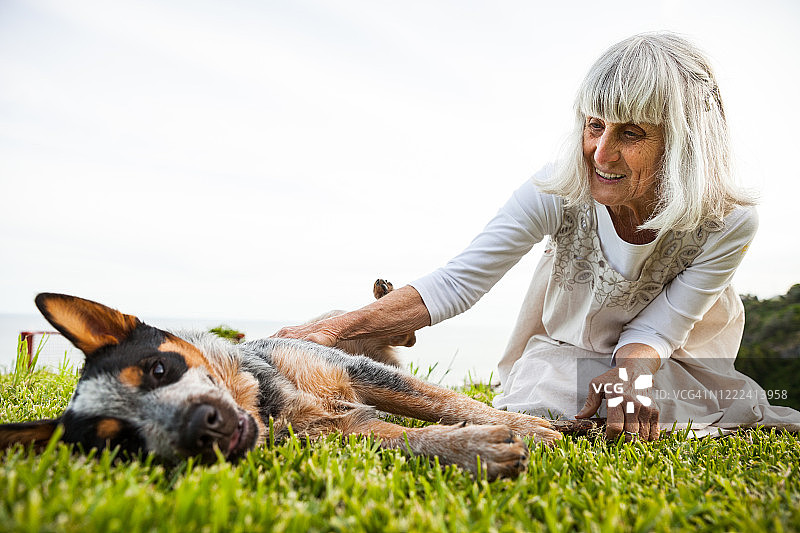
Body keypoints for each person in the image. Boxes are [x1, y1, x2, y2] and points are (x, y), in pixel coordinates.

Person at [275, 32, 800, 441]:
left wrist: (631, 376)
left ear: (684, 145)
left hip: (676, 356)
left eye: (631, 133)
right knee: (547, 391)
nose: (600, 153)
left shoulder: (728, 221)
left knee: (705, 405)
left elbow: (659, 330)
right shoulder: (556, 188)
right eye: (595, 125)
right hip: (573, 347)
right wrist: (326, 334)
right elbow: (458, 282)